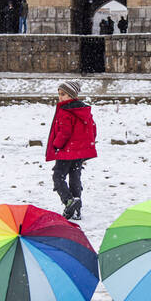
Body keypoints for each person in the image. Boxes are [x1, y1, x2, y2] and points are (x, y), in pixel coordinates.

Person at [45, 81, 97, 220]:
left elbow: (65, 132)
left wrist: (56, 145)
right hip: (79, 153)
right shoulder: (84, 111)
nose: (60, 98)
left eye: (63, 94)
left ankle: (69, 201)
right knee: (75, 178)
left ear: (72, 95)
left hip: (66, 151)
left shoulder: (65, 111)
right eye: (59, 94)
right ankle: (77, 208)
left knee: (58, 176)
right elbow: (93, 129)